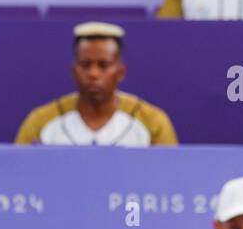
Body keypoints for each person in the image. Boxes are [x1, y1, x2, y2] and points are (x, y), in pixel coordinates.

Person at [14, 22, 177, 146]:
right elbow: (17, 177)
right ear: (74, 71)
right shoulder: (41, 122)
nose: (93, 74)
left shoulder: (152, 122)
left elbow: (171, 179)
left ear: (120, 73)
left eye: (103, 65)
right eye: (85, 65)